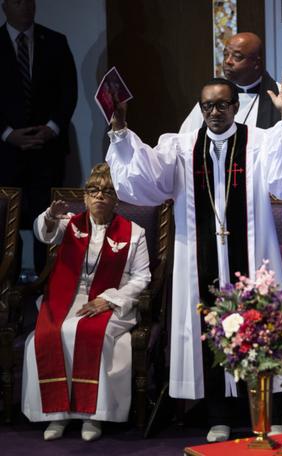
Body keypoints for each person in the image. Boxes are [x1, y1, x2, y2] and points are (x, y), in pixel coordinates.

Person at [106, 75, 282, 442]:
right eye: (208, 105)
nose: (215, 112)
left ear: (236, 107)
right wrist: (122, 130)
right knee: (209, 331)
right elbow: (146, 182)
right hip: (200, 256)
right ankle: (218, 415)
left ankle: (272, 412)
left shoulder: (259, 142)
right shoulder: (182, 147)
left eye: (222, 104)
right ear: (200, 109)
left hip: (253, 257)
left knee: (261, 324)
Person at [21, 163, 151, 441]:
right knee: (43, 336)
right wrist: (49, 217)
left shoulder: (134, 232)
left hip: (111, 301)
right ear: (85, 196)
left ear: (116, 199)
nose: (99, 196)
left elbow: (142, 278)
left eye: (107, 191)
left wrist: (108, 300)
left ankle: (91, 416)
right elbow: (44, 233)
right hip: (66, 297)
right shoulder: (69, 223)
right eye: (93, 190)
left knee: (87, 333)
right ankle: (57, 415)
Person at [180, 32, 282, 201]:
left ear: (256, 63)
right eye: (226, 54)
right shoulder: (211, 101)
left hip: (265, 198)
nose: (227, 61)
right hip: (216, 193)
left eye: (237, 57)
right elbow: (185, 143)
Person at [0, 0, 78, 273]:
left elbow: (69, 92)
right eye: (18, 2)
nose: (26, 7)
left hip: (47, 152)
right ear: (4, 7)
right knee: (5, 225)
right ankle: (7, 294)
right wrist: (8, 134)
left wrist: (52, 127)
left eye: (30, 1)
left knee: (46, 222)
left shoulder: (55, 41)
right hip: (6, 154)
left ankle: (46, 289)